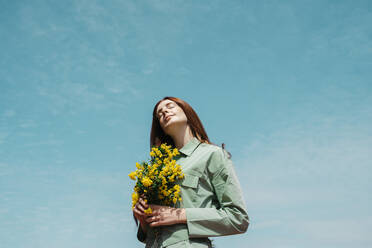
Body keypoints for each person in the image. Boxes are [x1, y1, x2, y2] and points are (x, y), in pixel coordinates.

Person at [133, 96, 249, 248]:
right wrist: (143, 219)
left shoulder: (212, 154)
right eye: (159, 114)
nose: (164, 112)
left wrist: (180, 215)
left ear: (187, 112)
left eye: (170, 106)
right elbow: (153, 229)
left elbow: (238, 218)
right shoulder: (159, 168)